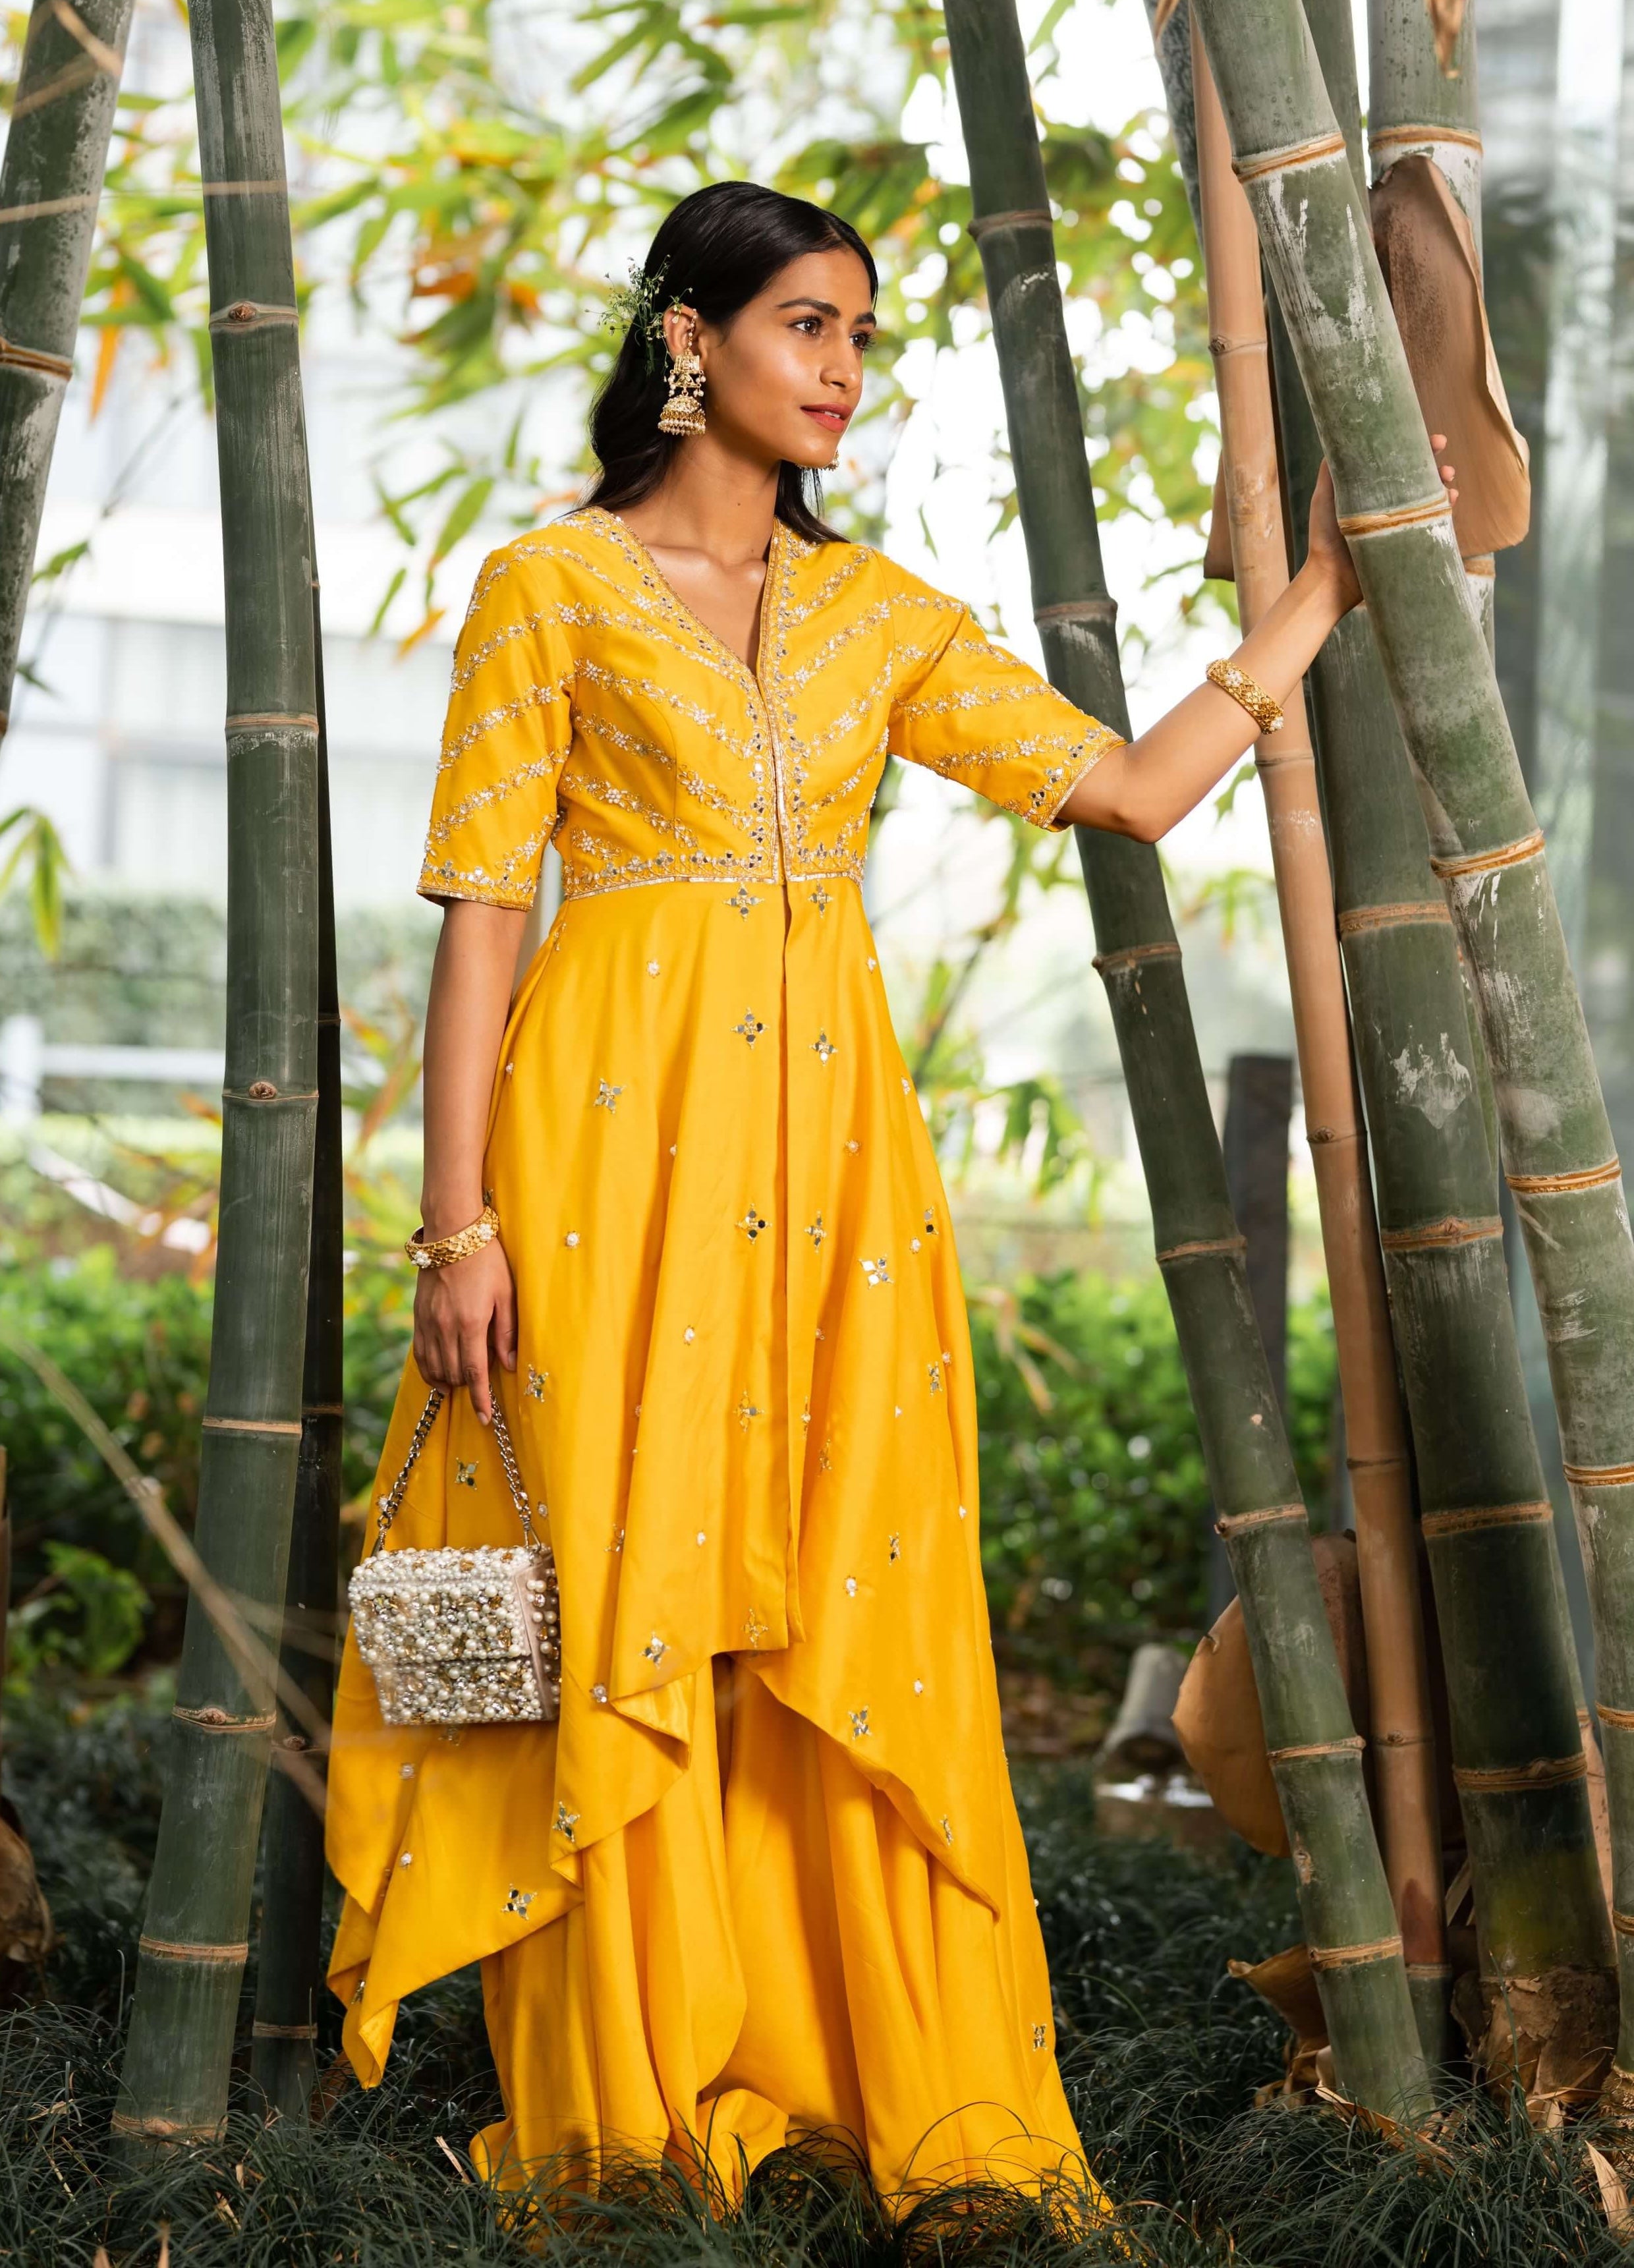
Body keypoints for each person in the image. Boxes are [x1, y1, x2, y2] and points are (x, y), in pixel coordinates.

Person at [325, 180, 1455, 2211]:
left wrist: (1316, 593)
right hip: (602, 1170)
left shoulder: (880, 620)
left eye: (861, 333)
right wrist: (456, 1225)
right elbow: (485, 919)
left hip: (837, 1177)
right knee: (627, 1583)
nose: (845, 368)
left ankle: (859, 2050)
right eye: (809, 325)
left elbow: (1129, 788)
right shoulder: (547, 587)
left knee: (842, 1574)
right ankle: (634, 2085)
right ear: (693, 342)